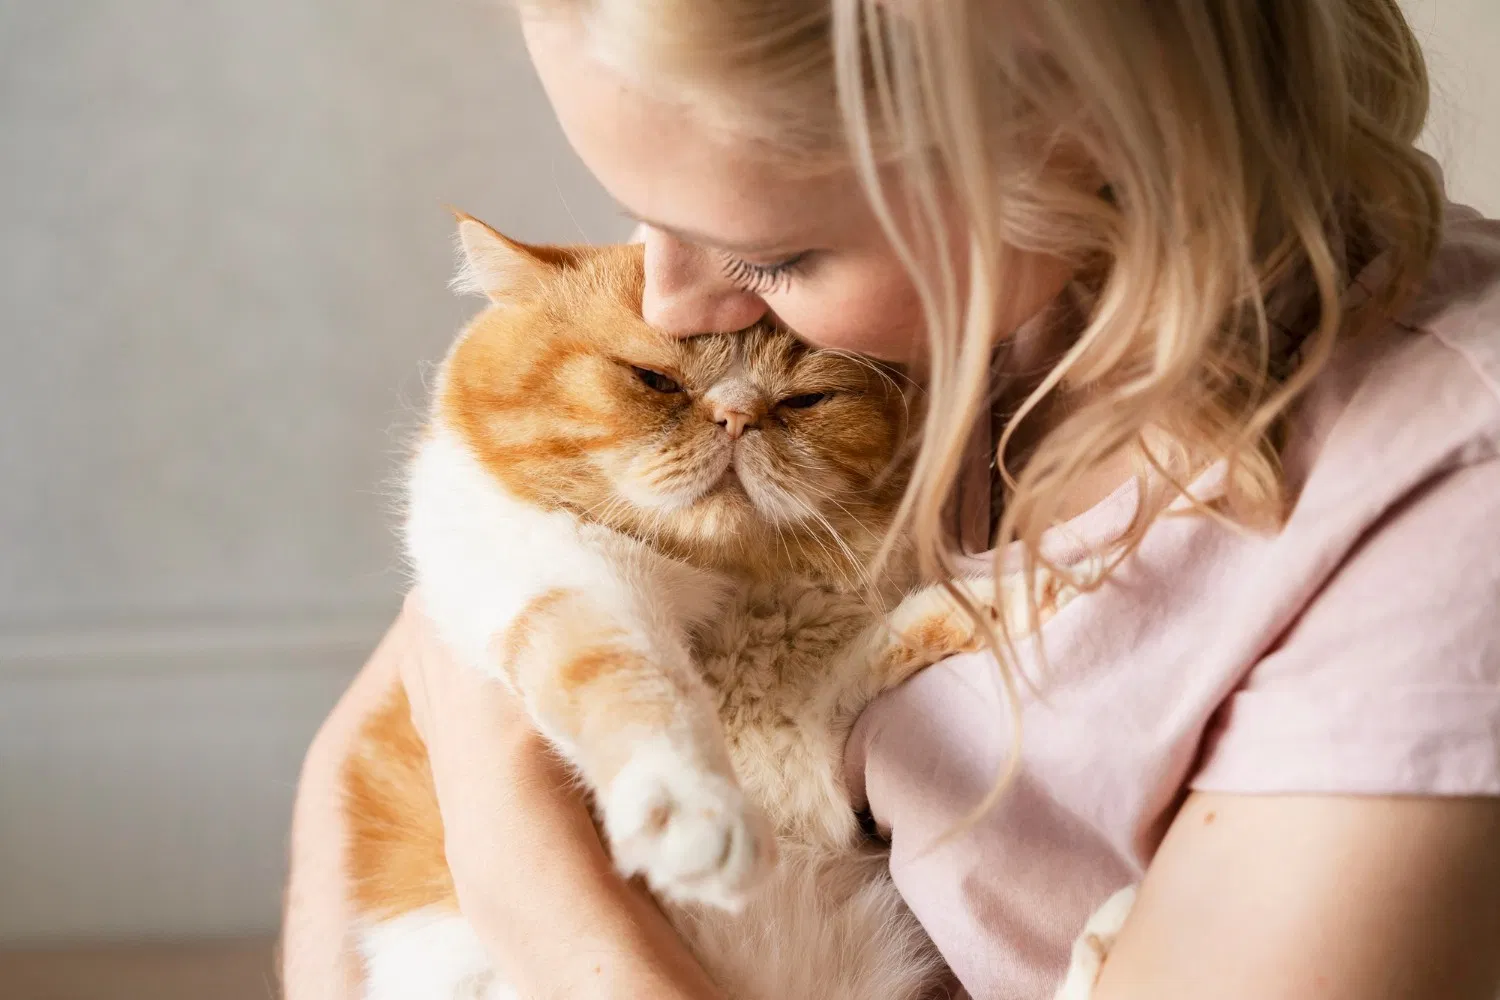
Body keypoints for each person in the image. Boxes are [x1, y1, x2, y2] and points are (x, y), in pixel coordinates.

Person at [282, 1, 1500, 997]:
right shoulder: (933, 276)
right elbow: (374, 751)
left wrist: (522, 865)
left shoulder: (1443, 505)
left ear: (1074, 130)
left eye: (769, 256)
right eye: (640, 215)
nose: (671, 303)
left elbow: (470, 736)